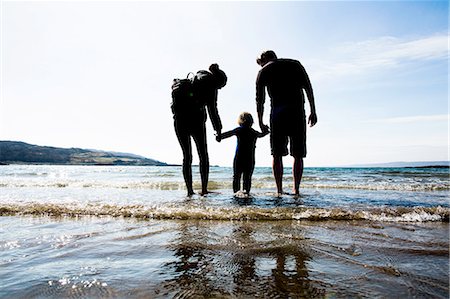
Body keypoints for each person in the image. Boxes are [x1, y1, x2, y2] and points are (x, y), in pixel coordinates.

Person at [255, 50, 317, 196]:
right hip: (297, 112)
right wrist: (313, 110)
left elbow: (260, 100)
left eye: (260, 63)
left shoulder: (263, 71)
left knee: (277, 154)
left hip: (278, 114)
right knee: (298, 154)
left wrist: (260, 121)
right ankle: (296, 189)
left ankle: (279, 190)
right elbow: (308, 88)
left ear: (264, 59)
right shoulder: (295, 64)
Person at [172, 63, 227, 196]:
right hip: (196, 121)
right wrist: (218, 130)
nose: (219, 89)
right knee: (203, 155)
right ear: (218, 81)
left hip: (179, 120)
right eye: (221, 86)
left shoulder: (195, 78)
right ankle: (203, 189)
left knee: (187, 156)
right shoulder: (211, 85)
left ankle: (189, 191)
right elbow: (213, 110)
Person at [216, 112, 269, 194]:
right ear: (251, 122)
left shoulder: (239, 130)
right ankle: (246, 193)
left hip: (239, 158)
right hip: (250, 158)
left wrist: (218, 136)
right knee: (247, 178)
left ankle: (236, 194)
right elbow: (262, 134)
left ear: (240, 121)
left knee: (236, 177)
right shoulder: (253, 132)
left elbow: (228, 134)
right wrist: (266, 130)